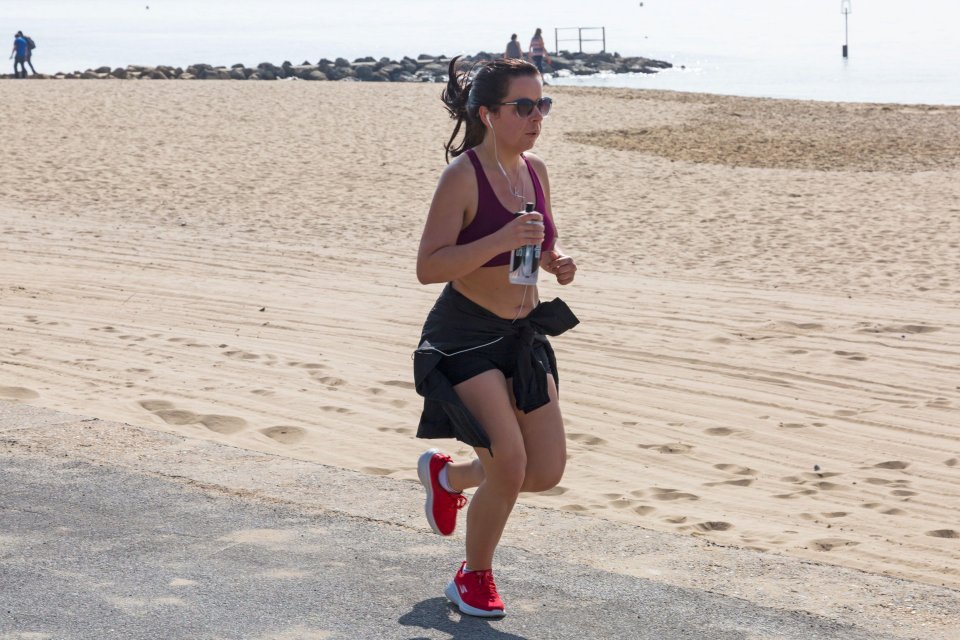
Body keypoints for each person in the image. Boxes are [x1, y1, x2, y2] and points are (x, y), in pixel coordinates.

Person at [413, 55, 579, 619]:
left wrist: (556, 258)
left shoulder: (535, 169)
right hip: (464, 335)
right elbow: (429, 267)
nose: (538, 115)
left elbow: (539, 240)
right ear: (488, 113)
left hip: (522, 334)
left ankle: (450, 475)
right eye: (524, 105)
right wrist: (500, 238)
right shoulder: (462, 176)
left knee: (544, 471)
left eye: (544, 103)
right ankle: (473, 577)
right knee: (509, 463)